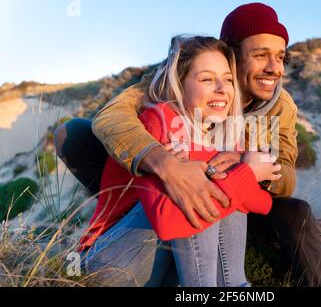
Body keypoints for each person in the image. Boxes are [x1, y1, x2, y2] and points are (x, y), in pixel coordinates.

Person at [55, 3, 321, 287]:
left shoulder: (280, 105)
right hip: (168, 194)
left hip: (240, 195)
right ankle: (125, 219)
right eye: (260, 55)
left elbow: (285, 176)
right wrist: (165, 163)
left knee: (294, 211)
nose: (274, 69)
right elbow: (111, 115)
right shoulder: (175, 88)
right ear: (231, 53)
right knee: (75, 133)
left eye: (281, 57)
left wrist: (242, 162)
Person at [78, 35, 279, 287]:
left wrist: (243, 171)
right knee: (203, 186)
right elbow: (168, 222)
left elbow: (262, 203)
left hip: (163, 266)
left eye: (228, 79)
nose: (222, 88)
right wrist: (244, 175)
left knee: (220, 185)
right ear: (179, 85)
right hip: (110, 263)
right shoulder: (159, 122)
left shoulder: (224, 137)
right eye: (206, 79)